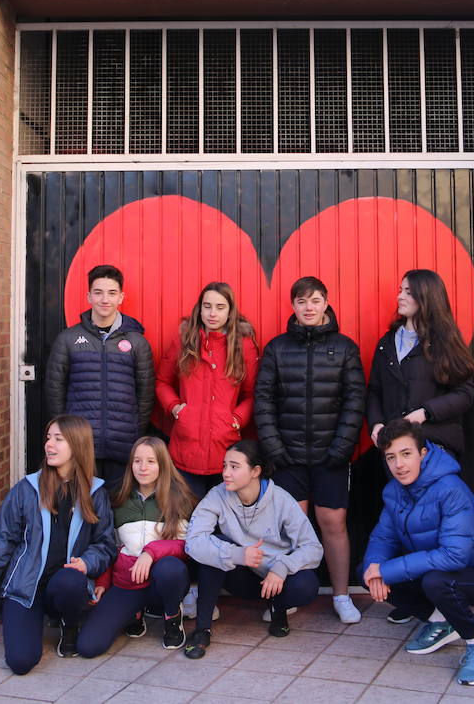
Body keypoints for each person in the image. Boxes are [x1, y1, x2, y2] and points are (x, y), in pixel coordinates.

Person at [361, 418, 474, 687]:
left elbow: (454, 555)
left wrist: (386, 569)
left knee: (433, 581)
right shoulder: (394, 491)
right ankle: (442, 622)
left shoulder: (450, 489)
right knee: (368, 571)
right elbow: (383, 537)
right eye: (391, 457)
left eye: (406, 454)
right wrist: (375, 568)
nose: (399, 465)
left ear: (423, 453)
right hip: (439, 568)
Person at [365, 268, 474, 625]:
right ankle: (417, 601)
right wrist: (377, 423)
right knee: (405, 526)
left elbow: (466, 394)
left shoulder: (444, 340)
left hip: (434, 449)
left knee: (434, 528)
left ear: (425, 298)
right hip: (395, 450)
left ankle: (445, 604)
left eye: (407, 292)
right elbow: (375, 392)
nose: (399, 297)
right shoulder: (388, 341)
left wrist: (425, 413)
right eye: (400, 290)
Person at [252, 275, 365, 624]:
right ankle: (289, 594)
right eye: (302, 302)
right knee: (292, 527)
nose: (309, 307)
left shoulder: (345, 348)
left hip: (331, 455)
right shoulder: (276, 348)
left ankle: (342, 595)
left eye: (315, 300)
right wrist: (274, 448)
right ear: (293, 306)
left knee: (333, 523)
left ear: (326, 302)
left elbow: (354, 400)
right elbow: (264, 400)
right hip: (288, 457)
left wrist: (342, 446)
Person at [0, 415, 116, 675]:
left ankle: (69, 626)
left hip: (65, 586)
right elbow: (0, 543)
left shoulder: (95, 493)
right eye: (49, 438)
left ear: (77, 445)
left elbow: (105, 544)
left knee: (71, 581)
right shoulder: (27, 489)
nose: (49, 445)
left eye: (58, 439)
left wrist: (88, 561)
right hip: (26, 587)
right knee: (21, 662)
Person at [181, 439, 323, 659]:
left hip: (276, 581)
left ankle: (279, 608)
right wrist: (237, 554)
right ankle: (202, 630)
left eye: (235, 467)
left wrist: (281, 567)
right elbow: (194, 542)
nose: (226, 473)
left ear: (255, 471)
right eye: (225, 465)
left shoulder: (281, 499)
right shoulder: (218, 495)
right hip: (242, 577)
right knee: (214, 547)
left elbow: (313, 548)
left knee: (306, 585)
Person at [78, 436, 197, 657]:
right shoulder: (118, 501)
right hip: (127, 584)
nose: (143, 467)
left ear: (163, 465)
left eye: (151, 461)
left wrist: (150, 553)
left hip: (163, 584)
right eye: (137, 461)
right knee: (88, 646)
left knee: (170, 568)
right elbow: (109, 546)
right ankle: (135, 614)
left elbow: (187, 546)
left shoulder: (179, 499)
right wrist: (103, 581)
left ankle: (172, 617)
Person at [45, 264, 155, 487]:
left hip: (122, 443)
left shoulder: (137, 342)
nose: (105, 299)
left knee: (116, 507)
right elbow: (54, 390)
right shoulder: (68, 339)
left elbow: (146, 394)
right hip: (81, 443)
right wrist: (67, 434)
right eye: (98, 292)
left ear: (121, 297)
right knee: (82, 506)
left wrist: (132, 428)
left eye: (112, 293)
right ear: (88, 296)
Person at [156, 281, 260, 499]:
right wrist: (176, 409)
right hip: (186, 448)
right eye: (207, 306)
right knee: (189, 520)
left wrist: (237, 419)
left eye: (220, 307)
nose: (213, 313)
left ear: (230, 311)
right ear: (199, 308)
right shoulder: (184, 340)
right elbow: (162, 382)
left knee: (224, 523)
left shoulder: (243, 345)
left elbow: (252, 394)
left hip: (226, 452)